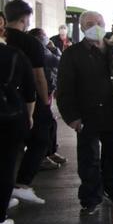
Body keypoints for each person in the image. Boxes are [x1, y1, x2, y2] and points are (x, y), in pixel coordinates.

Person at [57, 11, 113, 215]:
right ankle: (90, 197)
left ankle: (112, 187)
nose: (95, 26)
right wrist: (72, 117)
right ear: (82, 28)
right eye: (90, 23)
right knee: (89, 159)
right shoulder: (72, 54)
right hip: (87, 116)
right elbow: (64, 89)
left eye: (99, 22)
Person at [5, 0, 51, 205]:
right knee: (41, 138)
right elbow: (38, 77)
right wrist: (45, 102)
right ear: (25, 19)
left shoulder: (4, 39)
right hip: (24, 100)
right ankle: (21, 185)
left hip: (4, 101)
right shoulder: (30, 43)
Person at [0, 12, 37, 224]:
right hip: (10, 116)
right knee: (6, 164)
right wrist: (29, 115)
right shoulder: (14, 54)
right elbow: (30, 91)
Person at [30, 27, 67, 169]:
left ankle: (50, 152)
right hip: (40, 93)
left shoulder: (41, 49)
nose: (46, 37)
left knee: (50, 124)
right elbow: (58, 61)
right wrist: (54, 48)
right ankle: (42, 156)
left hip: (46, 91)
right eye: (43, 35)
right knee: (44, 125)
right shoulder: (40, 50)